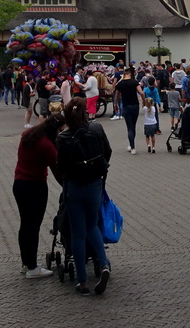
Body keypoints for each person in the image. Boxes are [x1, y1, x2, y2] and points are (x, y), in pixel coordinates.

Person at [56, 97, 112, 296]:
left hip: (74, 187)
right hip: (94, 184)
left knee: (78, 233)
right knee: (92, 226)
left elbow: (60, 166)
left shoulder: (63, 137)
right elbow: (108, 151)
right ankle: (103, 264)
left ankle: (83, 282)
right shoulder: (96, 129)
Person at [13, 113, 64, 278]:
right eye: (60, 130)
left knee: (25, 224)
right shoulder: (46, 145)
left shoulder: (28, 135)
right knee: (33, 226)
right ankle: (33, 267)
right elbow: (57, 171)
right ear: (55, 129)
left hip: (19, 183)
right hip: (35, 185)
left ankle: (25, 262)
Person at [113, 68, 145, 154]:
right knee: (133, 126)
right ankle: (131, 145)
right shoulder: (134, 82)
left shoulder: (120, 84)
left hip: (126, 106)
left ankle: (132, 146)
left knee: (129, 127)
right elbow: (141, 93)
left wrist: (115, 105)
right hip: (135, 106)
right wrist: (144, 102)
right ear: (130, 75)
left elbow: (117, 96)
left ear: (124, 75)